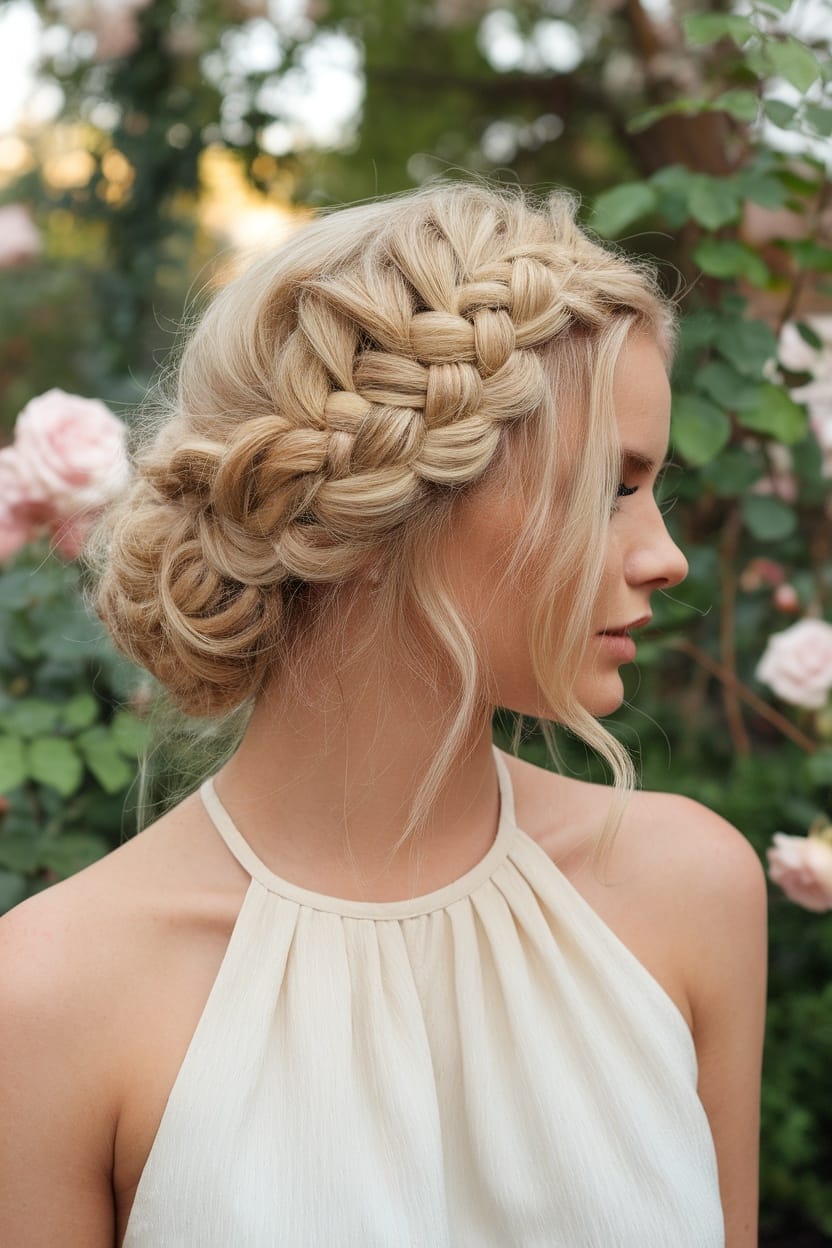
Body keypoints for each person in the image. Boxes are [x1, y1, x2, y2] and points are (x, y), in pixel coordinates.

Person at [0, 182, 766, 1247]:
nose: (664, 556)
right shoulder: (47, 999)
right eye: (608, 489)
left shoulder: (691, 891)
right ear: (392, 497)